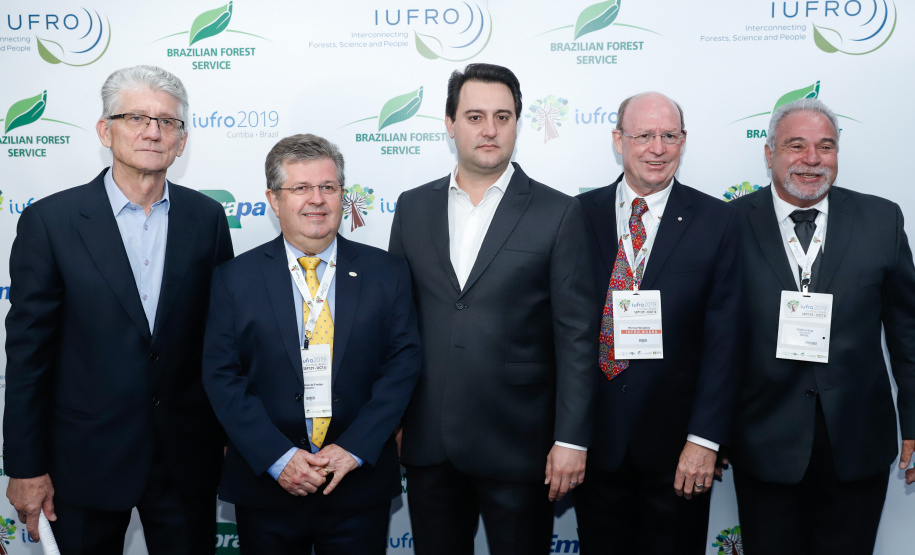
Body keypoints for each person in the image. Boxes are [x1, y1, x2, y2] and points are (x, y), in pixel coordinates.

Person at [3, 65, 233, 553]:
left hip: (185, 461)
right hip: (83, 464)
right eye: (136, 117)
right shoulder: (51, 222)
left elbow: (221, 340)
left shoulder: (207, 219)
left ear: (182, 141)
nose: (153, 130)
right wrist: (24, 466)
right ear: (105, 130)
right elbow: (28, 356)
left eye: (167, 122)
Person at [388, 63, 598, 555]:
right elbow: (395, 325)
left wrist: (571, 439)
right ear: (449, 123)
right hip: (428, 444)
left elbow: (577, 337)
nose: (489, 129)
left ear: (518, 124)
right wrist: (391, 423)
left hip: (520, 444)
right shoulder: (412, 207)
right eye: (475, 116)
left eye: (503, 117)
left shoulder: (558, 211)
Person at [202, 134, 421, 555]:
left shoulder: (387, 274)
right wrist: (279, 459)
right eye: (300, 188)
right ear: (273, 198)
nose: (316, 200)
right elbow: (221, 376)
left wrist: (354, 449)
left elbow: (403, 366)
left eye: (327, 187)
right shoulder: (234, 279)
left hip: (358, 484)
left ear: (342, 193)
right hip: (268, 487)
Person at [729, 98, 915, 554]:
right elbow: (710, 340)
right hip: (762, 442)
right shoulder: (728, 224)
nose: (812, 159)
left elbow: (908, 332)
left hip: (859, 443)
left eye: (825, 147)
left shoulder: (882, 220)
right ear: (768, 153)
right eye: (796, 145)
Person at [573, 92, 744, 554]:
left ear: (683, 142)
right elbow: (562, 331)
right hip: (595, 445)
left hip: (678, 453)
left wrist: (705, 439)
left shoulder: (719, 221)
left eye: (669, 136)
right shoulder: (577, 214)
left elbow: (725, 342)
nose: (657, 148)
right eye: (644, 135)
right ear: (618, 140)